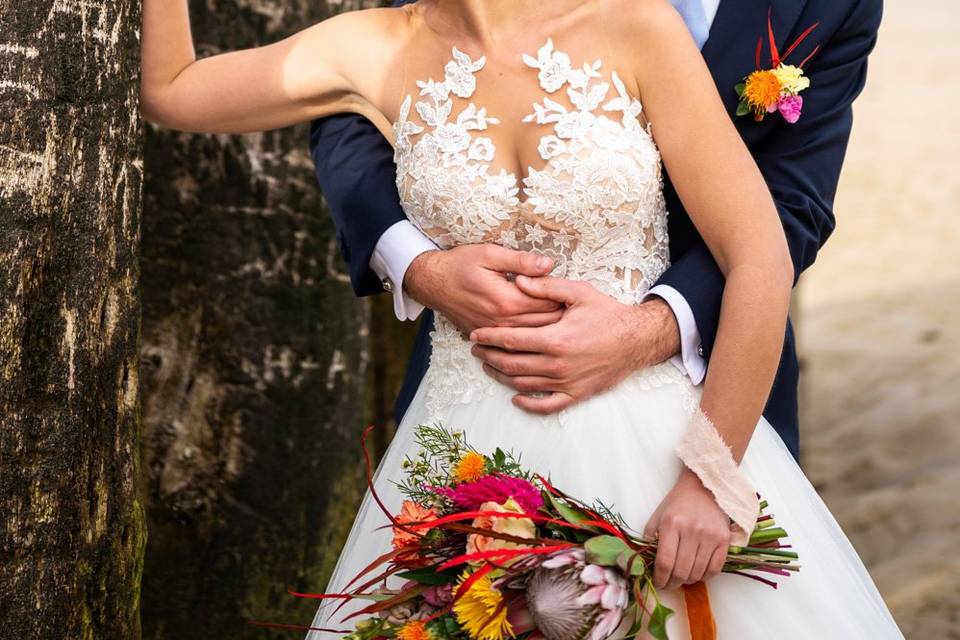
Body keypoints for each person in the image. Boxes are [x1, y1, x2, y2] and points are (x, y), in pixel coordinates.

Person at [140, 0, 903, 636]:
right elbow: (172, 90)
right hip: (458, 452)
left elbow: (761, 255)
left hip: (657, 449)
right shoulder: (368, 47)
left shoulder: (633, 26)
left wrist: (709, 483)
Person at [311, 0, 884, 464]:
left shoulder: (831, 6)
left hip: (717, 376)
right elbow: (356, 99)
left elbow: (792, 203)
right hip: (484, 369)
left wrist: (651, 328)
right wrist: (416, 264)